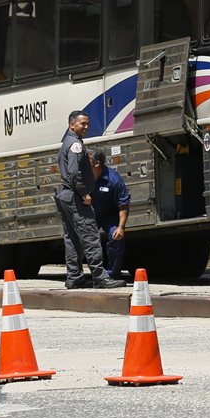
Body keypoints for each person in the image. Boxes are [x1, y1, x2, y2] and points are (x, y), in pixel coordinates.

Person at [55, 111, 124, 289]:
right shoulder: (75, 145)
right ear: (72, 125)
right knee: (90, 236)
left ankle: (74, 277)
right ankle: (100, 277)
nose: (86, 127)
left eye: (87, 123)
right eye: (82, 124)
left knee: (72, 238)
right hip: (74, 196)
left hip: (64, 195)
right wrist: (84, 193)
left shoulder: (67, 143)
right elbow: (73, 174)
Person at [89, 148, 131, 281]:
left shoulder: (114, 180)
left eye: (86, 160)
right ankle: (79, 274)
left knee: (115, 237)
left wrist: (121, 227)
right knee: (81, 240)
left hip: (109, 216)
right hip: (91, 215)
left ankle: (113, 273)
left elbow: (123, 205)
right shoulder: (83, 176)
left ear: (96, 163)